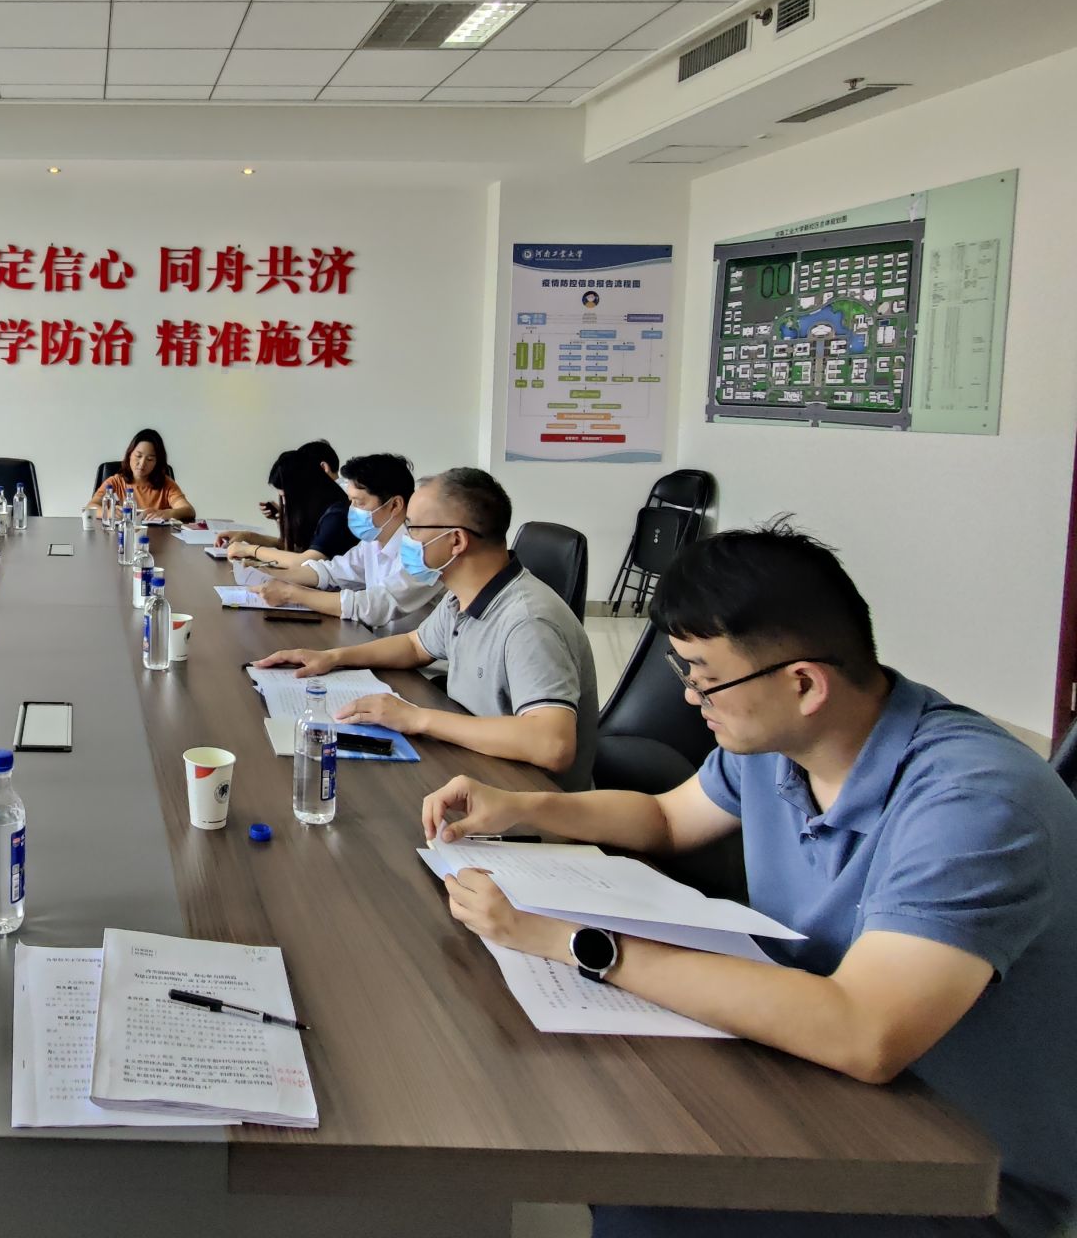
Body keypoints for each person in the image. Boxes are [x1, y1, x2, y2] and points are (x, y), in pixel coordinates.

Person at [420, 524, 1077, 1238]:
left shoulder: (977, 803)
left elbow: (866, 1032)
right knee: (603, 1113)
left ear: (804, 683)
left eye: (705, 678)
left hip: (957, 1174)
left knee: (643, 1188)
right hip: (811, 1077)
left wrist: (570, 941)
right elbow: (668, 818)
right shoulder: (778, 741)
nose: (691, 697)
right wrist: (521, 807)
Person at [255, 467, 598, 790]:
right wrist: (333, 657)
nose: (405, 539)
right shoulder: (461, 596)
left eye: (414, 528)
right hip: (477, 765)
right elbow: (415, 645)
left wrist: (417, 718)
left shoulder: (528, 621)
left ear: (456, 541)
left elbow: (552, 745)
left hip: (529, 797)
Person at [248, 454, 442, 632]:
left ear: (395, 505)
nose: (352, 510)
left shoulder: (424, 551)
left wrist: (292, 593)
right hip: (378, 645)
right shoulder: (373, 541)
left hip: (414, 659)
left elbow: (375, 606)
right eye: (351, 501)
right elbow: (333, 572)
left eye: (359, 503)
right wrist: (267, 574)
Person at [221, 441, 352, 563]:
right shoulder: (321, 511)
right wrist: (246, 536)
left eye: (286, 497)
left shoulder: (336, 514)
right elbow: (291, 548)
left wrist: (250, 550)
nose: (284, 503)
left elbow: (304, 561)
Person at [85, 428, 195, 520]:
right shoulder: (115, 482)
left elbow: (188, 510)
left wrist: (168, 513)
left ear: (157, 462)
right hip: (120, 536)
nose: (142, 464)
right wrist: (108, 513)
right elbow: (90, 507)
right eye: (138, 456)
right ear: (129, 455)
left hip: (157, 537)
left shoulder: (166, 484)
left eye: (150, 459)